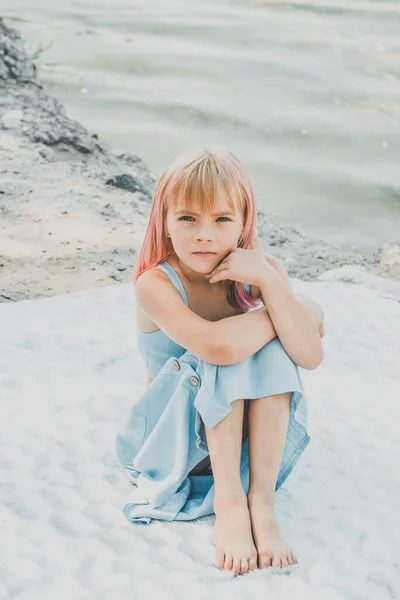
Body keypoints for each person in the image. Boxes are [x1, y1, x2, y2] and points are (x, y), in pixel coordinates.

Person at [115, 146, 324, 576]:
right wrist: (293, 310)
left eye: (222, 219)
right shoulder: (155, 283)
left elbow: (309, 355)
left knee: (267, 346)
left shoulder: (262, 271)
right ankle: (230, 503)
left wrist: (270, 281)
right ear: (165, 223)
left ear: (245, 223)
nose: (204, 235)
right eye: (188, 218)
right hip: (173, 436)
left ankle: (260, 501)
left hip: (242, 434)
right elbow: (219, 349)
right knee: (228, 348)